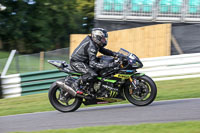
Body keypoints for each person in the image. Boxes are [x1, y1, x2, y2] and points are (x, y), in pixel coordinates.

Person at [70, 28, 118, 94]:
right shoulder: (91, 46)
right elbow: (93, 63)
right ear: (97, 37)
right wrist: (109, 65)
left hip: (85, 61)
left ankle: (94, 88)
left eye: (104, 38)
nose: (104, 40)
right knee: (93, 74)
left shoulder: (95, 43)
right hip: (77, 62)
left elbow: (103, 50)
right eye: (103, 38)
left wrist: (115, 54)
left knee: (102, 64)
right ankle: (75, 84)